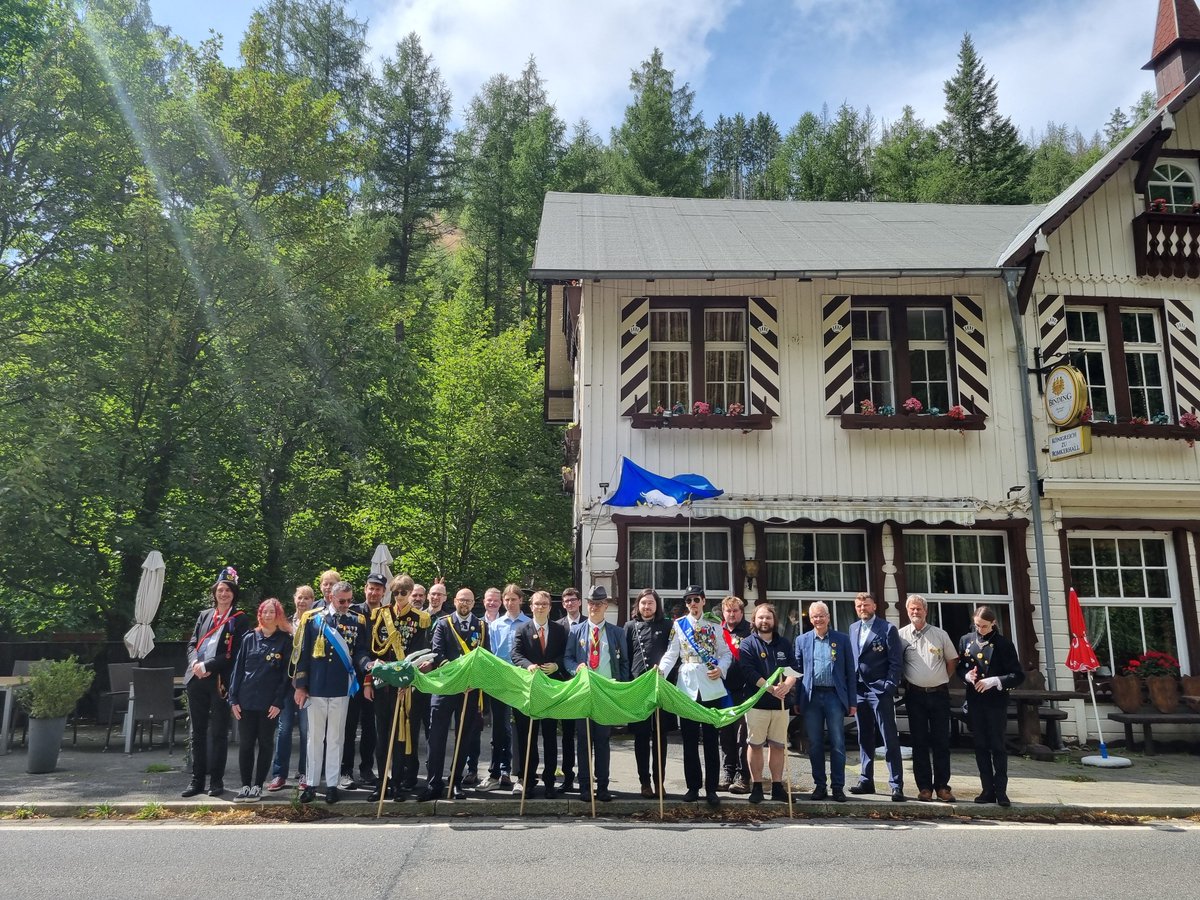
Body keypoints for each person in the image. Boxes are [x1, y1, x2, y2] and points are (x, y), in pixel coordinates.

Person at [293, 581, 372, 804]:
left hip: (341, 687)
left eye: (349, 600)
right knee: (314, 738)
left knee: (336, 738)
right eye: (342, 601)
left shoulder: (357, 621)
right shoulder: (313, 619)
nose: (346, 605)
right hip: (316, 687)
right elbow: (303, 654)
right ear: (331, 598)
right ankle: (310, 783)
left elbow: (360, 651)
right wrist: (301, 685)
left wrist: (367, 664)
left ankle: (332, 784)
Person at [658, 585, 732, 806]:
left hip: (710, 684)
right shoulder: (679, 624)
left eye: (696, 599)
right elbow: (672, 653)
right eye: (689, 600)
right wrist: (660, 672)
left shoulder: (714, 625)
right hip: (688, 686)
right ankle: (692, 786)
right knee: (689, 739)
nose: (693, 604)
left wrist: (721, 669)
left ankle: (711, 789)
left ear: (703, 601)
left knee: (711, 739)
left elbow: (725, 653)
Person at [182, 566, 250, 798]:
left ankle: (216, 781)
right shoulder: (204, 615)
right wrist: (195, 663)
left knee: (219, 732)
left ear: (234, 594)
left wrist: (208, 666)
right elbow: (192, 644)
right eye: (220, 590)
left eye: (228, 590)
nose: (224, 594)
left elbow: (235, 653)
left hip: (220, 681)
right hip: (196, 678)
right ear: (215, 592)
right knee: (197, 732)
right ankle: (197, 780)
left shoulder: (240, 620)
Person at [418, 587, 490, 801]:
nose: (464, 604)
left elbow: (485, 656)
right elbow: (437, 653)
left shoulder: (481, 626)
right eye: (461, 600)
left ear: (474, 603)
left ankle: (456, 782)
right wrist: (456, 675)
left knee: (463, 737)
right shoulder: (443, 623)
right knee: (436, 737)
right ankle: (433, 783)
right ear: (455, 601)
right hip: (445, 688)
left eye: (468, 600)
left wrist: (473, 680)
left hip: (469, 690)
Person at [365, 574, 432, 803]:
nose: (400, 596)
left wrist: (407, 681)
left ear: (411, 593)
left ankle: (397, 783)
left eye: (404, 592)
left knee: (401, 736)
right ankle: (382, 782)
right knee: (382, 736)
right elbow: (372, 652)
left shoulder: (420, 619)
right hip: (382, 685)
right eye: (396, 592)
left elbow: (419, 653)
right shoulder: (380, 615)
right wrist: (368, 679)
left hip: (405, 687)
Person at [563, 586, 629, 802]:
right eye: (591, 603)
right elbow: (567, 658)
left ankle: (602, 787)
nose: (594, 607)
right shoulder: (576, 631)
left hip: (606, 693)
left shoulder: (616, 633)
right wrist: (576, 668)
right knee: (583, 740)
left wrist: (620, 690)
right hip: (584, 692)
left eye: (598, 604)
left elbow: (624, 663)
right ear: (587, 604)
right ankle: (584, 786)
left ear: (605, 606)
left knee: (602, 740)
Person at [958, 605, 1024, 807]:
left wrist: (995, 681)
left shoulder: (1003, 644)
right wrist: (966, 676)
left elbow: (1017, 675)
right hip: (975, 700)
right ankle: (987, 789)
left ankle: (1001, 791)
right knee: (980, 745)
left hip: (995, 701)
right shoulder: (966, 640)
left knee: (997, 745)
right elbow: (960, 667)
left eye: (984, 626)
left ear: (993, 623)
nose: (980, 629)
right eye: (977, 625)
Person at [228, 598, 293, 802]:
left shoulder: (285, 641)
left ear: (278, 615)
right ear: (260, 614)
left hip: (269, 704)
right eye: (265, 611)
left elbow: (285, 676)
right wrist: (233, 699)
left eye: (272, 612)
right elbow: (238, 670)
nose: (268, 615)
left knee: (265, 743)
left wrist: (278, 702)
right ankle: (245, 785)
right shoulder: (249, 638)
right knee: (246, 744)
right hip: (245, 701)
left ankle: (258, 786)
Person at [899, 594, 959, 802]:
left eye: (919, 609)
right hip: (915, 696)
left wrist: (939, 679)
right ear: (907, 611)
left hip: (939, 695)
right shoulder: (901, 636)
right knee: (919, 742)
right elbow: (897, 663)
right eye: (912, 609)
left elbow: (952, 661)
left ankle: (942, 787)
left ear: (926, 611)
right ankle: (924, 787)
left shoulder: (940, 634)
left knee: (941, 741)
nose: (915, 612)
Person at [794, 600, 855, 802]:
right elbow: (797, 673)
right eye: (814, 616)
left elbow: (850, 672)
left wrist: (852, 702)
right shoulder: (802, 640)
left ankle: (838, 787)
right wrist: (797, 700)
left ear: (828, 617)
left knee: (837, 743)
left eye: (821, 616)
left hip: (834, 697)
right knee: (815, 744)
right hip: (811, 698)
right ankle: (820, 786)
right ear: (810, 619)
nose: (818, 619)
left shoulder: (842, 639)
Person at [736, 603, 797, 803]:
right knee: (755, 745)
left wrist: (787, 685)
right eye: (760, 617)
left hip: (781, 704)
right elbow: (748, 671)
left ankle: (777, 787)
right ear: (754, 620)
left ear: (774, 620)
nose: (764, 621)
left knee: (778, 746)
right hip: (757, 704)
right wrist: (771, 688)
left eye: (768, 617)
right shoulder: (747, 644)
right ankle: (757, 787)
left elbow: (793, 669)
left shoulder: (785, 644)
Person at [511, 590, 568, 798]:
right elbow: (515, 654)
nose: (541, 607)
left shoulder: (560, 630)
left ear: (550, 607)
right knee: (527, 737)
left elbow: (566, 654)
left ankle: (550, 781)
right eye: (537, 604)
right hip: (529, 690)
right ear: (531, 606)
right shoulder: (522, 629)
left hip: (551, 690)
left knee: (550, 737)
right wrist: (528, 665)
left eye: (544, 604)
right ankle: (527, 780)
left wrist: (557, 665)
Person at [849, 591, 906, 801]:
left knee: (889, 738)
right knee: (864, 737)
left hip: (879, 690)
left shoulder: (887, 628)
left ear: (874, 606)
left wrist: (889, 686)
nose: (862, 608)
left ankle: (896, 784)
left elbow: (896, 662)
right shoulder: (853, 628)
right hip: (859, 691)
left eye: (866, 605)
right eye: (859, 606)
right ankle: (866, 780)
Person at [624, 588, 672, 797]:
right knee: (641, 737)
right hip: (639, 689)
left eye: (651, 603)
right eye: (643, 603)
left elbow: (673, 654)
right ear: (638, 605)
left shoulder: (668, 625)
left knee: (660, 736)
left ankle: (659, 782)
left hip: (661, 687)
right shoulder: (629, 627)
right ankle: (644, 782)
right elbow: (626, 658)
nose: (647, 606)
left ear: (656, 605)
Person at [482, 584, 530, 793]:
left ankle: (522, 776)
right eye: (507, 600)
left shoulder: (528, 624)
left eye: (514, 599)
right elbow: (492, 654)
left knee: (522, 728)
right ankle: (496, 773)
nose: (510, 603)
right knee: (499, 729)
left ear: (521, 600)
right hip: (501, 681)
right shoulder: (495, 625)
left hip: (521, 681)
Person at [341, 573, 386, 789]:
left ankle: (367, 768)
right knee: (349, 725)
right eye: (371, 588)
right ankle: (346, 770)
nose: (374, 592)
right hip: (352, 677)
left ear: (383, 592)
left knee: (370, 726)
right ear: (365, 588)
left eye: (378, 589)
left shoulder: (388, 615)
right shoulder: (352, 612)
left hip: (376, 677)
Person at [268, 585, 314, 792]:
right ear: (294, 599)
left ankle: (305, 773)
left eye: (307, 598)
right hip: (286, 685)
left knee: (306, 730)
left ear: (313, 601)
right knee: (284, 729)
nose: (302, 601)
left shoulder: (316, 623)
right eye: (300, 597)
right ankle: (279, 774)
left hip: (308, 686)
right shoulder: (284, 624)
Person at [464, 586, 502, 786]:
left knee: (501, 728)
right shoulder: (477, 624)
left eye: (496, 600)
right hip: (477, 683)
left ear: (501, 602)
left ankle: (500, 771)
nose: (492, 603)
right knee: (474, 726)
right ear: (483, 602)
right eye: (489, 600)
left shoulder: (508, 622)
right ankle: (472, 769)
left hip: (499, 681)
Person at [718, 595, 752, 794]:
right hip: (722, 690)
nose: (731, 614)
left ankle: (743, 776)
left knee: (743, 736)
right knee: (725, 735)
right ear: (723, 612)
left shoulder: (750, 631)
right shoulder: (717, 631)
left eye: (735, 611)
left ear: (741, 612)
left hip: (744, 690)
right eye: (728, 611)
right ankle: (727, 773)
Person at [555, 586, 584, 792]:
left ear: (579, 602)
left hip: (584, 685)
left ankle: (585, 776)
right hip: (565, 685)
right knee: (567, 735)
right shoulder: (558, 626)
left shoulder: (589, 623)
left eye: (573, 600)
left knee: (585, 734)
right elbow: (556, 653)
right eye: (566, 601)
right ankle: (567, 777)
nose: (570, 603)